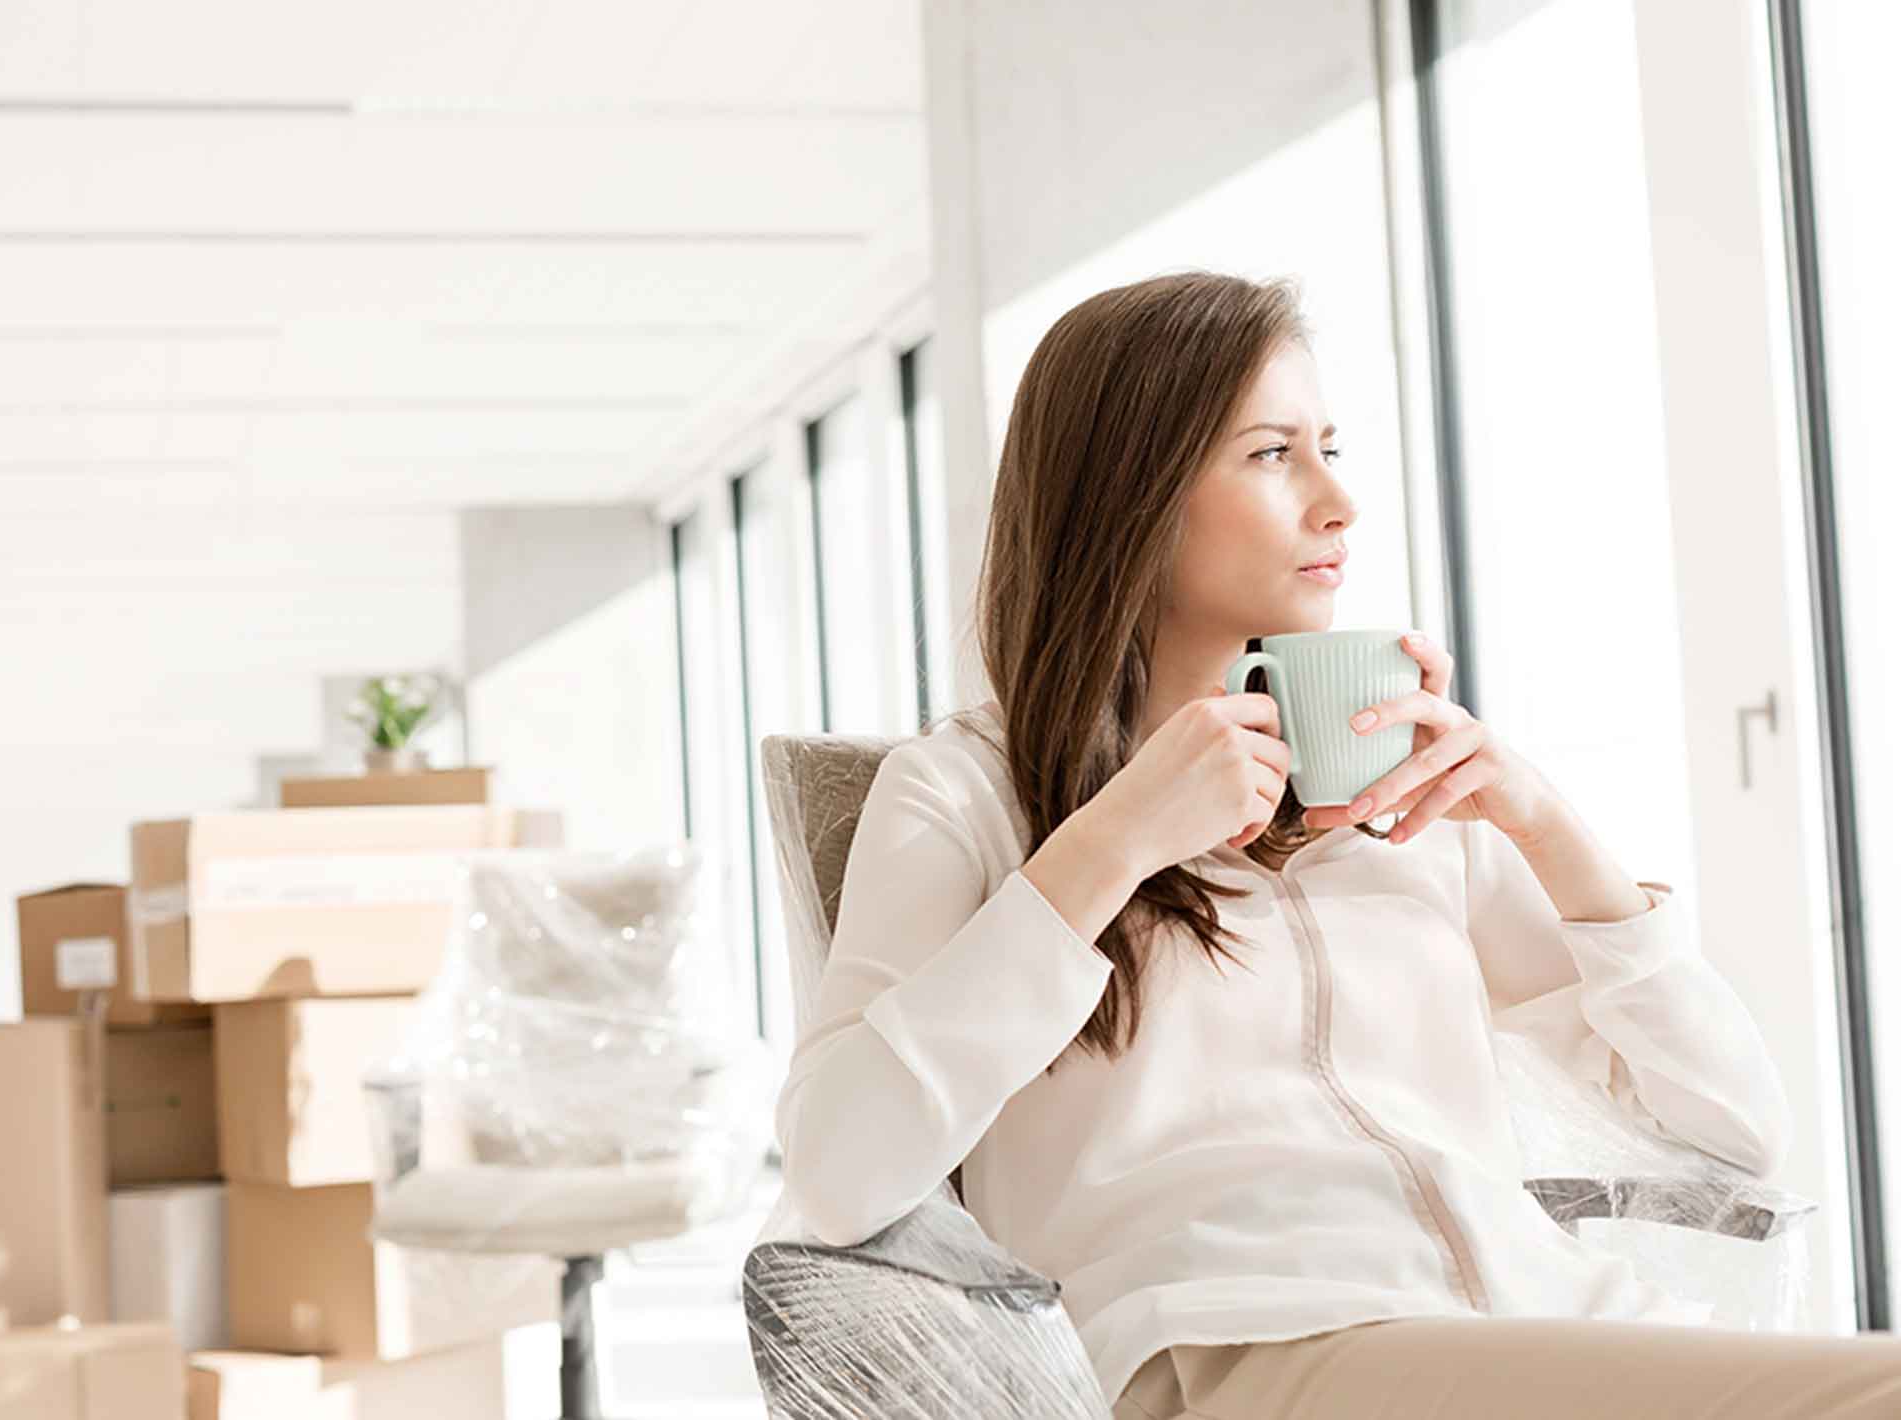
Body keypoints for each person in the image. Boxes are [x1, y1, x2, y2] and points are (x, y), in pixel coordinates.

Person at [771, 270, 1901, 1418]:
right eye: (1272, 454)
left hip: (1536, 1323)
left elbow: (1736, 1128)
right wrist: (1110, 841)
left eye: (1330, 446)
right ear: (1133, 493)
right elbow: (839, 1171)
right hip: (1238, 1352)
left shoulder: (1401, 808)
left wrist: (1545, 825)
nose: (1337, 502)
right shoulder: (965, 793)